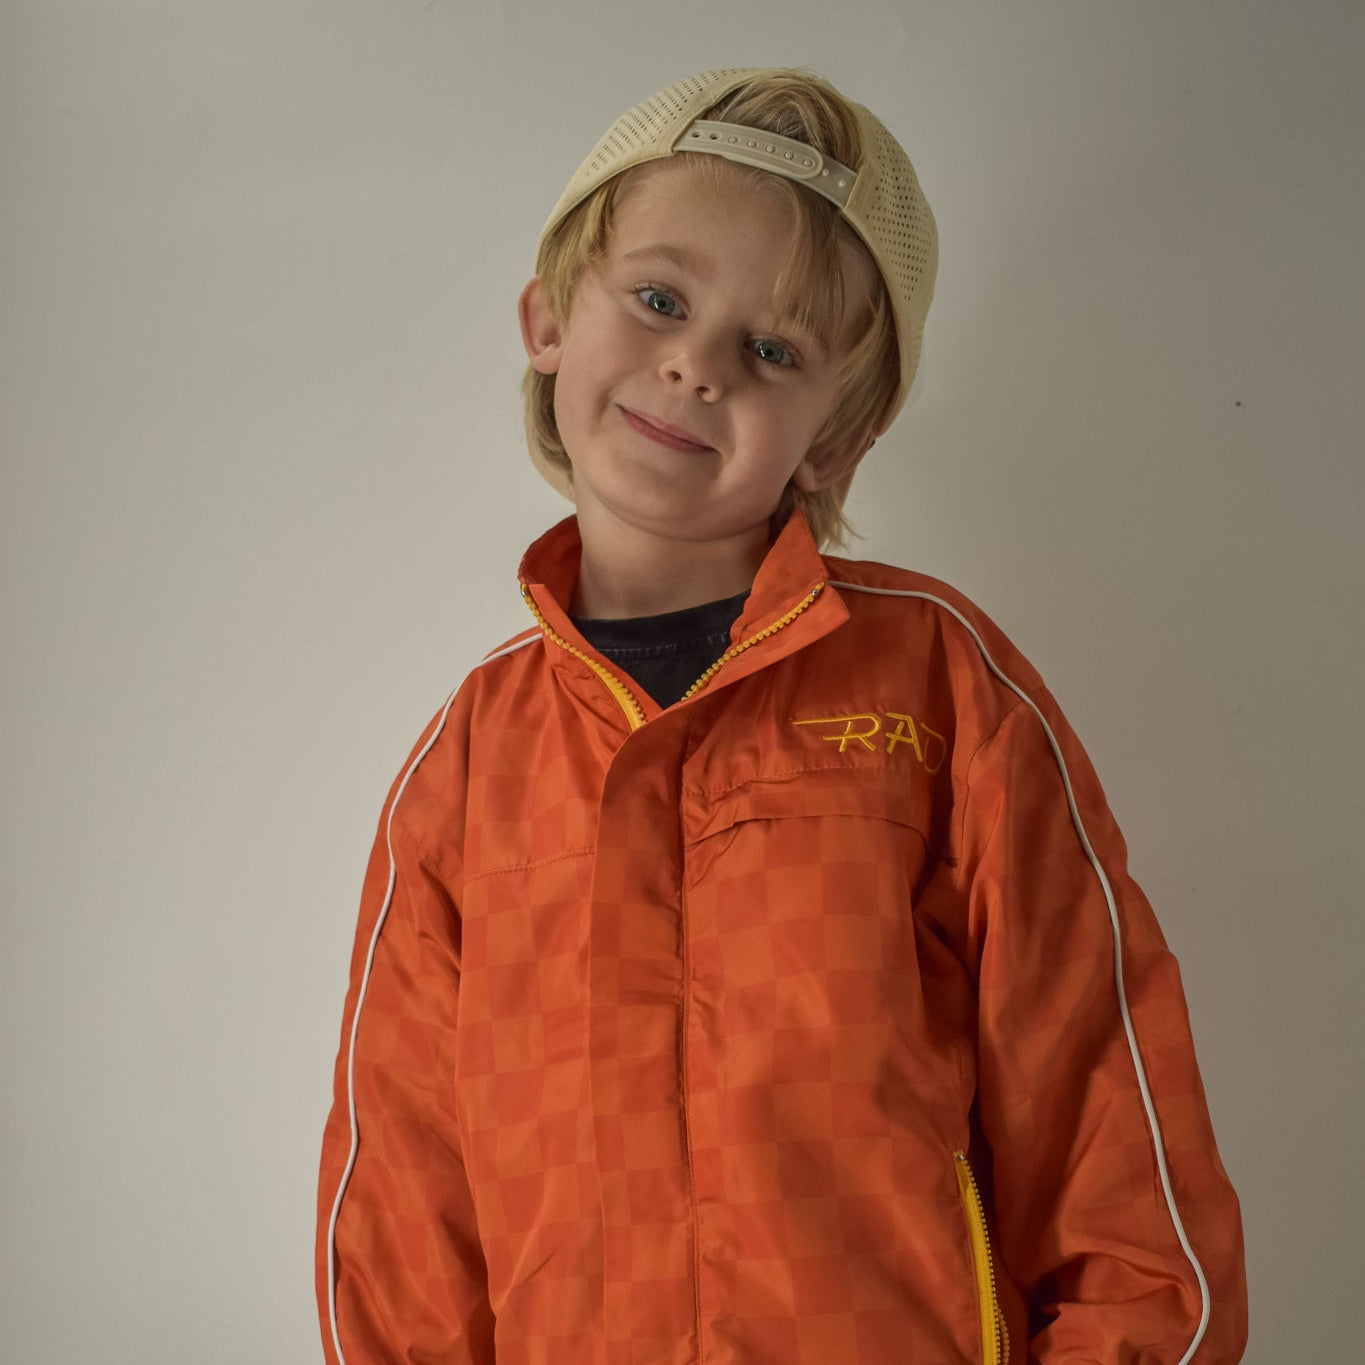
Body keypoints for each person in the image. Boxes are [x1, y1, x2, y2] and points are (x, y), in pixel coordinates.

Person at [315, 67, 1247, 1365]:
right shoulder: (468, 763)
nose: (695, 364)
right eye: (659, 299)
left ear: (834, 442)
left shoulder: (940, 691)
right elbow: (403, 1210)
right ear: (547, 319)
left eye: (772, 350)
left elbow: (1107, 1127)